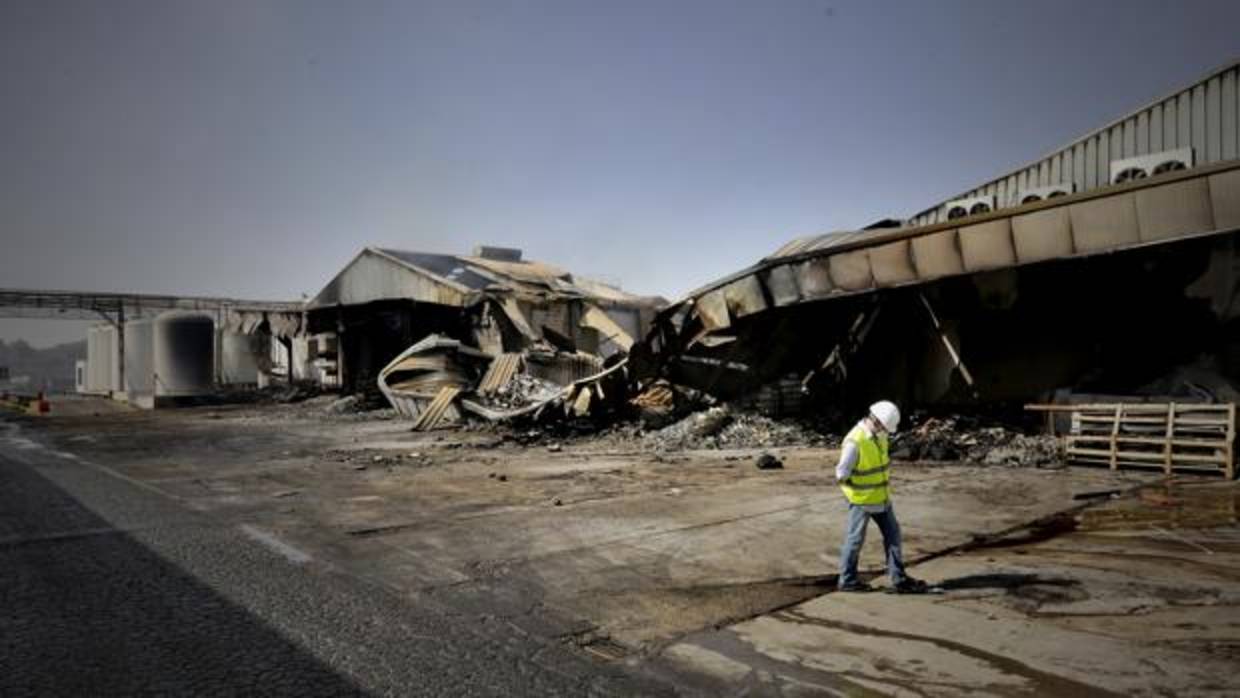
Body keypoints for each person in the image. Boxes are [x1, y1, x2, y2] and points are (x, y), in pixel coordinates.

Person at [834, 400, 927, 593]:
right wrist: (854, 493)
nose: (887, 432)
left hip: (882, 498)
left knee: (893, 536)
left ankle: (898, 579)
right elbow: (841, 473)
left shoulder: (880, 436)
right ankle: (847, 580)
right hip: (862, 500)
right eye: (885, 427)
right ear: (876, 422)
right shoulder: (855, 441)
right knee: (855, 540)